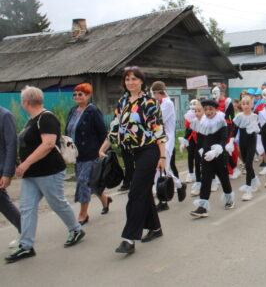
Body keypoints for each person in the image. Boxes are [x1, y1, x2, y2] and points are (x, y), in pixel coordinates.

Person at [6, 86, 85, 263]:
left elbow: (48, 144)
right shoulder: (32, 120)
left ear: (26, 102)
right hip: (31, 174)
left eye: (22, 101)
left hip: (48, 171)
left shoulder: (46, 118)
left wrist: (25, 163)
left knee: (56, 202)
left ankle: (76, 229)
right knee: (27, 207)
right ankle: (26, 246)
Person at [99, 66, 166, 254]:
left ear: (142, 81)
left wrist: (162, 156)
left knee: (135, 193)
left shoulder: (150, 102)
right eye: (127, 79)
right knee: (142, 191)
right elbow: (115, 128)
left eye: (134, 79)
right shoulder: (122, 102)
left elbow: (158, 130)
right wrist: (103, 147)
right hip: (129, 152)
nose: (130, 82)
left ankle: (129, 238)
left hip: (149, 151)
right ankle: (155, 227)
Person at [65, 83, 111, 225]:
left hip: (91, 153)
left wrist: (102, 151)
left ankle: (83, 214)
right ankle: (105, 200)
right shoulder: (73, 111)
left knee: (83, 182)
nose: (77, 97)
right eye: (75, 94)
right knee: (90, 182)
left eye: (81, 94)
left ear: (88, 96)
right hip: (76, 154)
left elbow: (103, 133)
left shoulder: (93, 111)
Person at [190, 99, 235, 218]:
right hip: (207, 155)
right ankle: (202, 207)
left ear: (216, 109)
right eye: (206, 109)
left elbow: (224, 139)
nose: (208, 111)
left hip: (219, 154)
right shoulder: (203, 122)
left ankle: (229, 199)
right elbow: (202, 139)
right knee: (206, 180)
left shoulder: (221, 122)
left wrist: (217, 150)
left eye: (210, 109)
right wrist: (201, 149)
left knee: (224, 179)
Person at [151, 81, 186, 212]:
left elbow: (158, 120)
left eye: (153, 93)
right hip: (160, 139)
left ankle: (162, 200)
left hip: (167, 139)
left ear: (157, 93)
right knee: (164, 168)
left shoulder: (168, 103)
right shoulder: (159, 103)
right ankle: (179, 185)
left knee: (161, 169)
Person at [0, 106, 21, 248]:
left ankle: (25, 231)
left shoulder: (5, 116)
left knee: (3, 202)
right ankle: (25, 229)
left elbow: (11, 145)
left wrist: (7, 173)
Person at [233, 96, 261, 201]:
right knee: (247, 165)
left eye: (247, 103)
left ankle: (248, 190)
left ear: (251, 104)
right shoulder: (239, 116)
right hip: (242, 143)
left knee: (248, 164)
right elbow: (235, 129)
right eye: (243, 103)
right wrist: (231, 140)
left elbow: (259, 129)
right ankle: (255, 181)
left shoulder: (255, 116)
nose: (245, 105)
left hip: (252, 142)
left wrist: (258, 129)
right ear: (241, 105)